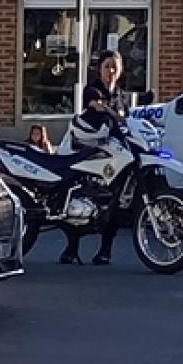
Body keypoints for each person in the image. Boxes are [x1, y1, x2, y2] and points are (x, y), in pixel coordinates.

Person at [60, 50, 128, 266]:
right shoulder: (92, 90)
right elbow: (94, 104)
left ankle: (105, 250)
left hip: (113, 156)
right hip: (84, 151)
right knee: (75, 195)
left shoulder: (122, 96)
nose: (111, 71)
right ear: (99, 68)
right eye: (107, 66)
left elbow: (127, 121)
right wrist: (108, 110)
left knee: (114, 201)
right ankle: (71, 249)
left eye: (114, 67)